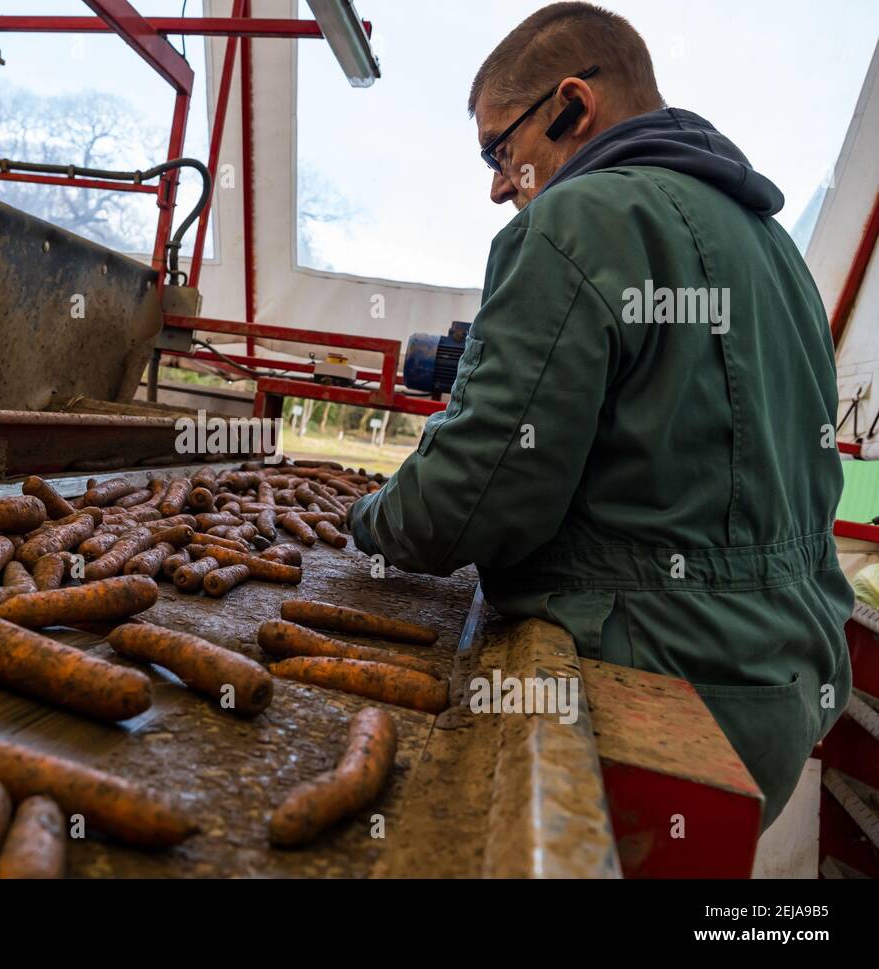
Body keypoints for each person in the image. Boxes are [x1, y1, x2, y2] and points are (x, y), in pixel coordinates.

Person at [348, 1, 851, 827]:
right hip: (784, 683)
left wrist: (366, 515)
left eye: (500, 149)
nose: (498, 184)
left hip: (657, 680)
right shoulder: (775, 250)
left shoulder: (575, 223)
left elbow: (470, 499)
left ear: (573, 106)